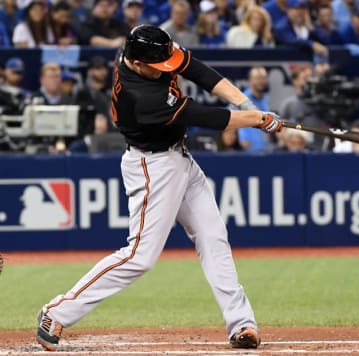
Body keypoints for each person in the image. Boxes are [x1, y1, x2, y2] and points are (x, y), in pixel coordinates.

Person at [35, 24, 282, 352]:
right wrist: (255, 119)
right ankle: (56, 312)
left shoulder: (148, 52)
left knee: (213, 237)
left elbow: (198, 70)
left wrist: (245, 103)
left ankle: (242, 324)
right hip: (153, 167)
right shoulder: (140, 97)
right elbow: (202, 115)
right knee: (139, 257)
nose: (166, 69)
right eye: (157, 67)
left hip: (179, 157)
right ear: (136, 64)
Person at [236, 66, 273, 152]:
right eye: (258, 78)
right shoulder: (241, 99)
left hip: (266, 149)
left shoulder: (267, 100)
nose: (261, 81)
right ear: (250, 81)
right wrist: (240, 141)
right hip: (247, 151)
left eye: (263, 78)